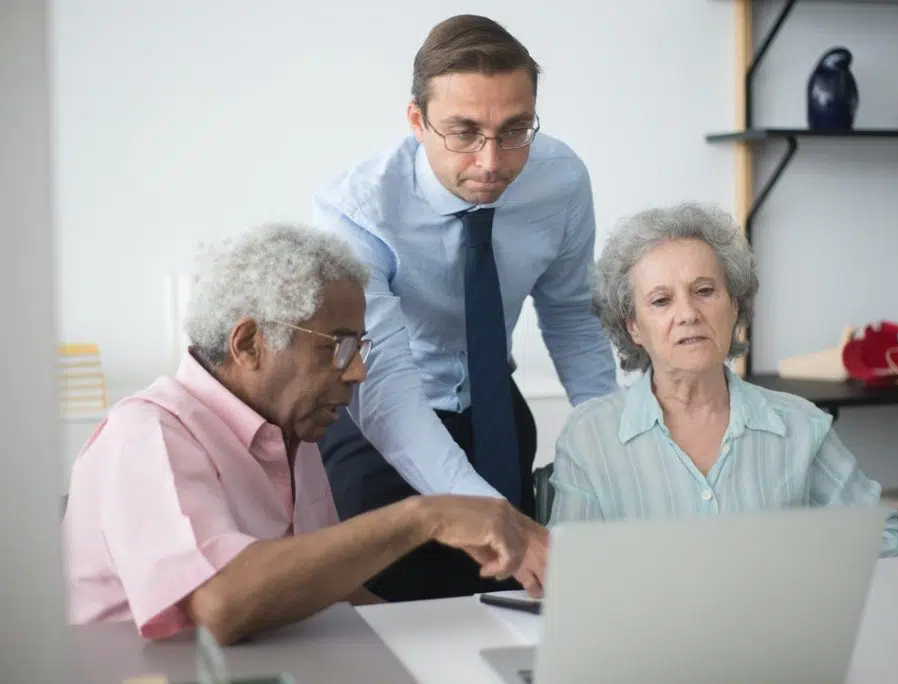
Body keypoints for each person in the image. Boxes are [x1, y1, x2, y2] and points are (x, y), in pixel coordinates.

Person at [63, 223, 548, 645]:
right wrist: (425, 516)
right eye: (338, 347)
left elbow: (329, 594)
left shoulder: (289, 430)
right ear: (249, 343)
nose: (357, 372)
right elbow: (220, 603)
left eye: (360, 348)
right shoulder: (148, 436)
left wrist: (458, 642)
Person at [313, 14, 618, 601]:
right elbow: (387, 389)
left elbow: (572, 316)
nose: (491, 161)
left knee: (511, 606)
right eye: (464, 132)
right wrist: (488, 515)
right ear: (416, 121)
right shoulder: (356, 210)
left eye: (514, 129)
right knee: (397, 625)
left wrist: (612, 442)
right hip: (381, 426)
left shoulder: (561, 179)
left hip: (497, 417)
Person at [547, 202, 898, 558]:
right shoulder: (589, 436)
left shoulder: (801, 426)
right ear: (633, 328)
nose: (688, 314)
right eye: (661, 301)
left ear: (734, 305)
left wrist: (800, 561)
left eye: (705, 291)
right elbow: (567, 572)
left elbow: (889, 540)